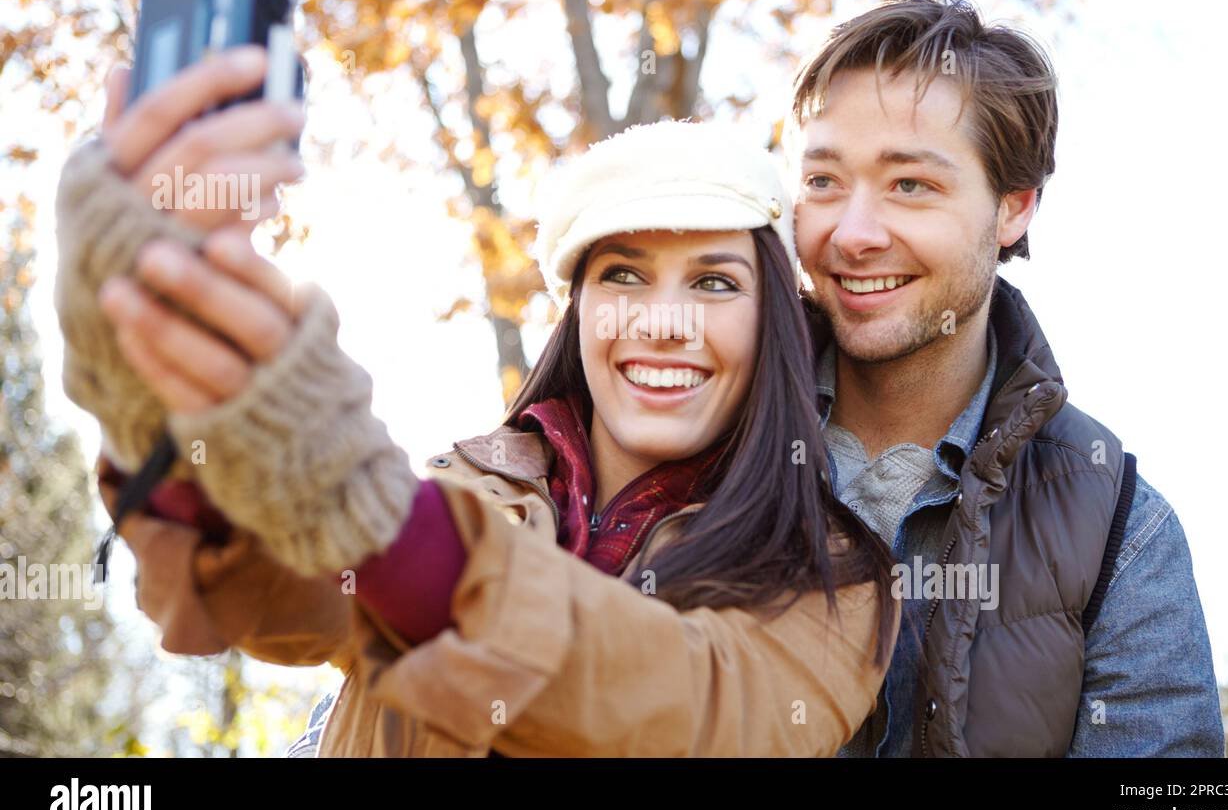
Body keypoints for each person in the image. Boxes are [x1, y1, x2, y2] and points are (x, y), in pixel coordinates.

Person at [55, 58, 899, 756]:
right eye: (622, 276)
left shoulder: (833, 579)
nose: (662, 323)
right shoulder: (461, 492)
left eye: (714, 282)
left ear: (773, 327)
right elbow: (256, 602)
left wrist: (381, 519)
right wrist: (145, 379)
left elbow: (687, 715)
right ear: (579, 313)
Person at [787, 0, 1224, 756]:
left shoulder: (1119, 526)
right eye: (823, 181)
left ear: (1014, 207)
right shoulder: (699, 441)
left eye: (910, 185)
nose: (851, 234)